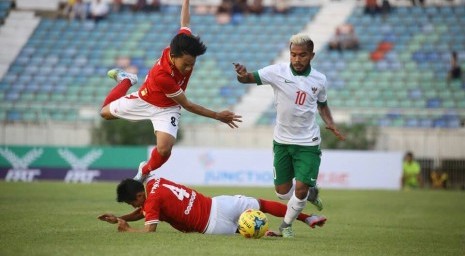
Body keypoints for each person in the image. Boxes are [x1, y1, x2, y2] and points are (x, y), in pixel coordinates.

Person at [99, 0, 242, 183]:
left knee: (165, 149)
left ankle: (144, 170)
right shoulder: (163, 75)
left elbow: (185, 23)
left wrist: (186, 1)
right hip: (145, 100)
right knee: (104, 113)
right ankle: (127, 80)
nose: (189, 68)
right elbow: (188, 104)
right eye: (186, 64)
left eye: (193, 64)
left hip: (168, 108)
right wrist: (217, 115)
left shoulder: (182, 44)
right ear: (173, 57)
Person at [233, 33, 345, 238]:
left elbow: (322, 105)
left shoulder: (319, 79)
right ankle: (310, 194)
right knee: (283, 192)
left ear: (311, 55)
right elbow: (247, 78)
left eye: (302, 55)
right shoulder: (277, 72)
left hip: (308, 143)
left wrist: (330, 123)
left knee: (299, 189)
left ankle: (286, 226)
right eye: (293, 55)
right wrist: (241, 74)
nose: (297, 59)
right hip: (282, 141)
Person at [98, 173, 327, 236]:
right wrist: (120, 217)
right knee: (263, 204)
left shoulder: (151, 203)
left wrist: (127, 228)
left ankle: (267, 234)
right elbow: (145, 211)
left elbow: (149, 228)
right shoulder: (155, 182)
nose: (132, 208)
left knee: (245, 232)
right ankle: (308, 218)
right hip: (219, 204)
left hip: (211, 227)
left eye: (130, 204)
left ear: (139, 196)